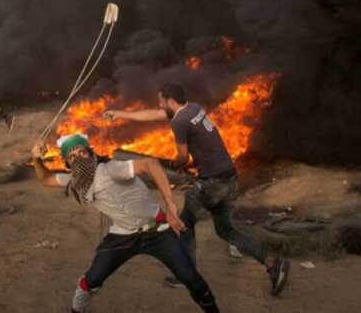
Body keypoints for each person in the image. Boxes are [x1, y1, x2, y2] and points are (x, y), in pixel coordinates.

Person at [104, 82, 290, 296]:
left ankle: (186, 274)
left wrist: (174, 165)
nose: (159, 103)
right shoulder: (193, 108)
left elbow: (182, 157)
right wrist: (118, 113)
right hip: (229, 179)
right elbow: (153, 114)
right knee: (225, 230)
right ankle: (271, 262)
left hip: (212, 184)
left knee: (184, 224)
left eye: (161, 100)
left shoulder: (180, 122)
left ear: (171, 101)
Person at [31, 134, 221, 313]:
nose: (78, 158)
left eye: (81, 152)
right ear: (67, 164)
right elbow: (45, 179)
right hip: (122, 236)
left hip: (157, 231)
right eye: (72, 157)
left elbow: (149, 164)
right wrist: (36, 159)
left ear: (91, 153)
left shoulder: (109, 169)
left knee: (190, 278)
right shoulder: (75, 182)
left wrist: (170, 206)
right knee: (92, 279)